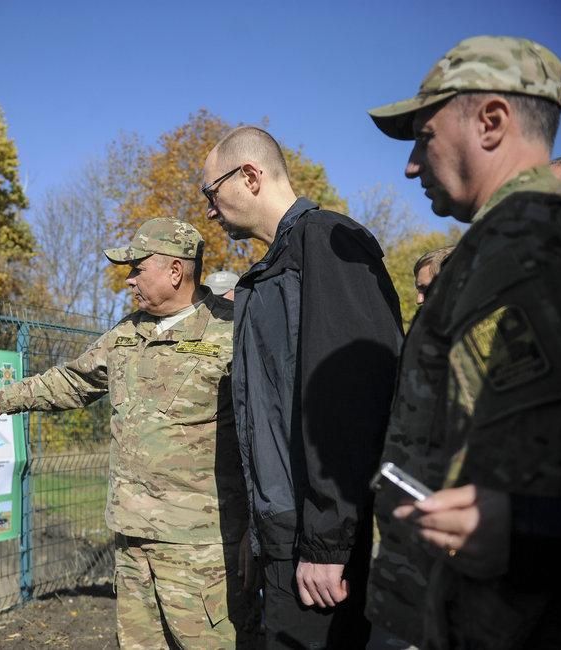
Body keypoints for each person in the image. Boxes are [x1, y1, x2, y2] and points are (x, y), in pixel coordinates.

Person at [367, 35, 561, 648]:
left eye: (424, 137)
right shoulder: (504, 242)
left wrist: (528, 536)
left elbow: (524, 474)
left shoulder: (530, 243)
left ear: (492, 121)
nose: (412, 166)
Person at [0, 218, 253, 648]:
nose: (129, 279)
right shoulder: (125, 334)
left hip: (201, 547)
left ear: (175, 271)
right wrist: (2, 400)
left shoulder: (234, 331)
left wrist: (258, 528)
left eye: (138, 268)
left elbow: (265, 434)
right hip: (131, 537)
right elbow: (71, 381)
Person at [202, 126, 403, 649]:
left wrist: (327, 544)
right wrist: (260, 526)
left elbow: (353, 402)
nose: (209, 209)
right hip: (285, 534)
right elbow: (268, 417)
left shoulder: (329, 244)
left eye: (210, 192)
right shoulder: (272, 270)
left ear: (249, 176)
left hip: (318, 548)